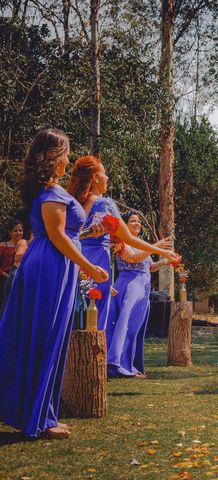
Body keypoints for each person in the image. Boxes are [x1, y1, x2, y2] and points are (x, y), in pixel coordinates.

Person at [0, 129, 109, 439]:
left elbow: (69, 233)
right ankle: (38, 419)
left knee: (53, 340)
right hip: (48, 269)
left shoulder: (56, 191)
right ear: (52, 158)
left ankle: (44, 414)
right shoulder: (50, 194)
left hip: (59, 268)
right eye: (65, 154)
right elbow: (58, 237)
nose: (68, 159)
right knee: (44, 339)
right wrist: (89, 266)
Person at [67, 156, 179, 330]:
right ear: (95, 177)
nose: (107, 178)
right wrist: (161, 251)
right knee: (96, 316)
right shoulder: (105, 203)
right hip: (97, 262)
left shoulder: (75, 203)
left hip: (74, 258)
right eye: (104, 173)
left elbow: (71, 235)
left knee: (77, 312)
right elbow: (129, 239)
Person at [106, 212, 166, 378]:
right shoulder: (121, 242)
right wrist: (156, 247)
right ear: (125, 224)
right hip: (129, 288)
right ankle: (116, 363)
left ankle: (130, 364)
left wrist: (165, 260)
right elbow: (133, 258)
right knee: (126, 326)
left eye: (139, 221)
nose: (138, 223)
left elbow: (149, 266)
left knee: (134, 328)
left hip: (142, 290)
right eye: (133, 221)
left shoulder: (142, 244)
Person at [0, 219, 24, 306]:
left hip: (20, 280)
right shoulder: (3, 246)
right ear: (10, 232)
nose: (18, 233)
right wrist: (7, 276)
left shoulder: (26, 247)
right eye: (15, 230)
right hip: (3, 280)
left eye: (20, 230)